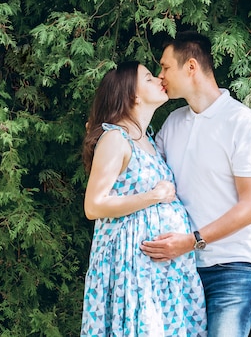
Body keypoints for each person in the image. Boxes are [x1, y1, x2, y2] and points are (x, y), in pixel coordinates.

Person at [141, 32, 251, 337]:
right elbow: (146, 175)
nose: (160, 76)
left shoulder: (242, 123)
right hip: (180, 269)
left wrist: (191, 240)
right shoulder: (173, 123)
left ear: (190, 67)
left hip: (232, 268)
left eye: (165, 67)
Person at [80, 61, 207, 337]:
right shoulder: (116, 139)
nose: (159, 79)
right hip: (132, 272)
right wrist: (153, 196)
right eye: (148, 78)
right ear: (132, 95)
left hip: (161, 277)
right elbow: (94, 205)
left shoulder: (147, 140)